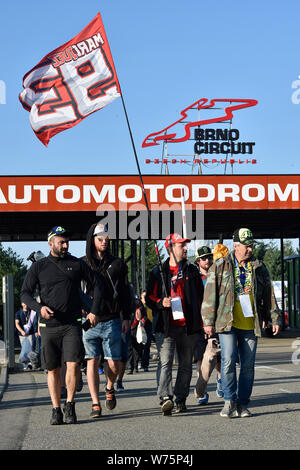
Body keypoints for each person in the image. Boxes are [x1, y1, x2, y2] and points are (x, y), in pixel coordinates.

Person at [21, 226, 103, 425]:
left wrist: (93, 311)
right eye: (61, 242)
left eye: (67, 242)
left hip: (72, 324)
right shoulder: (38, 267)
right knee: (53, 369)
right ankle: (56, 408)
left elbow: (97, 285)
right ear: (51, 244)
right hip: (48, 326)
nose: (65, 245)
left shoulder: (76, 264)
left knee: (73, 365)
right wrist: (39, 308)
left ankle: (70, 405)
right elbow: (25, 293)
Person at [202, 227, 281, 418]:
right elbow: (209, 295)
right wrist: (208, 321)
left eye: (252, 246)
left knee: (247, 365)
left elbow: (269, 295)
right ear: (235, 245)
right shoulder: (220, 265)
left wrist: (274, 317)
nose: (250, 249)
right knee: (228, 361)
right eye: (247, 246)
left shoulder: (259, 267)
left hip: (250, 324)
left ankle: (242, 403)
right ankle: (229, 400)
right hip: (226, 323)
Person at [146, 233, 204, 415]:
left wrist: (204, 322)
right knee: (165, 362)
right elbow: (149, 297)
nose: (186, 248)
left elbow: (201, 297)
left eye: (186, 245)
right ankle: (165, 398)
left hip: (188, 326)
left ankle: (180, 398)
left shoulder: (192, 271)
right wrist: (160, 303)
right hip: (166, 326)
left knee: (186, 364)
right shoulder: (158, 272)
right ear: (170, 248)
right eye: (181, 245)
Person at [82, 223, 131, 418]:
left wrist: (126, 316)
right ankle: (95, 403)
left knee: (114, 364)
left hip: (112, 319)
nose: (104, 242)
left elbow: (126, 292)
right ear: (92, 240)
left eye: (106, 238)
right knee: (91, 362)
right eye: (100, 238)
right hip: (89, 321)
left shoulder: (118, 264)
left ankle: (109, 386)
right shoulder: (82, 264)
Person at [193, 246, 223, 405]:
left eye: (209, 257)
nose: (208, 260)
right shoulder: (194, 278)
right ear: (198, 261)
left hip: (217, 322)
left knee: (220, 357)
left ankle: (220, 380)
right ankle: (201, 390)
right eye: (204, 258)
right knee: (201, 358)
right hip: (199, 324)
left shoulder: (217, 275)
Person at [15, 302, 38, 370]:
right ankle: (25, 364)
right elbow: (17, 323)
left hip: (31, 333)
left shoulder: (32, 312)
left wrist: (36, 331)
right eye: (24, 304)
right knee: (24, 349)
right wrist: (22, 331)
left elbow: (36, 323)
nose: (26, 305)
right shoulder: (18, 313)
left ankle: (31, 364)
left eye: (27, 303)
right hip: (22, 334)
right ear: (22, 304)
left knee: (31, 349)